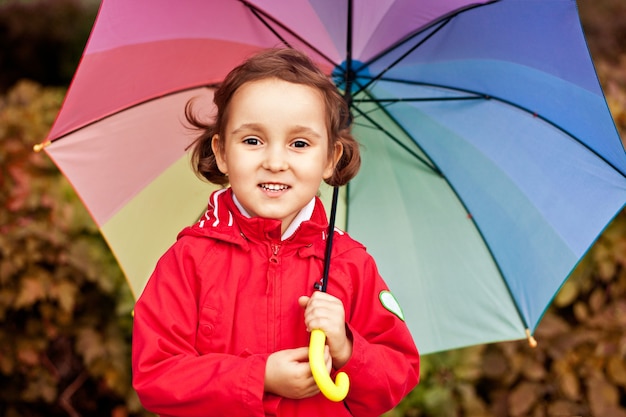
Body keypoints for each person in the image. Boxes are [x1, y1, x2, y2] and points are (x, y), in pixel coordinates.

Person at [132, 47, 420, 417]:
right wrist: (259, 376)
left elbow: (397, 374)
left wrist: (347, 347)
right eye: (253, 140)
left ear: (330, 159)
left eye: (299, 144)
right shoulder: (189, 261)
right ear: (221, 152)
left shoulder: (350, 264)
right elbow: (156, 376)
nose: (275, 162)